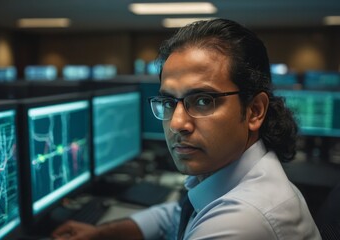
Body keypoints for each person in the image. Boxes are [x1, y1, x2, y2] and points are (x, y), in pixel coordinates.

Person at [52, 18, 321, 240]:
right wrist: (101, 235)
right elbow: (176, 215)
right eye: (169, 102)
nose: (177, 123)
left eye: (203, 101)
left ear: (254, 111)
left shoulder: (241, 223)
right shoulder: (229, 176)